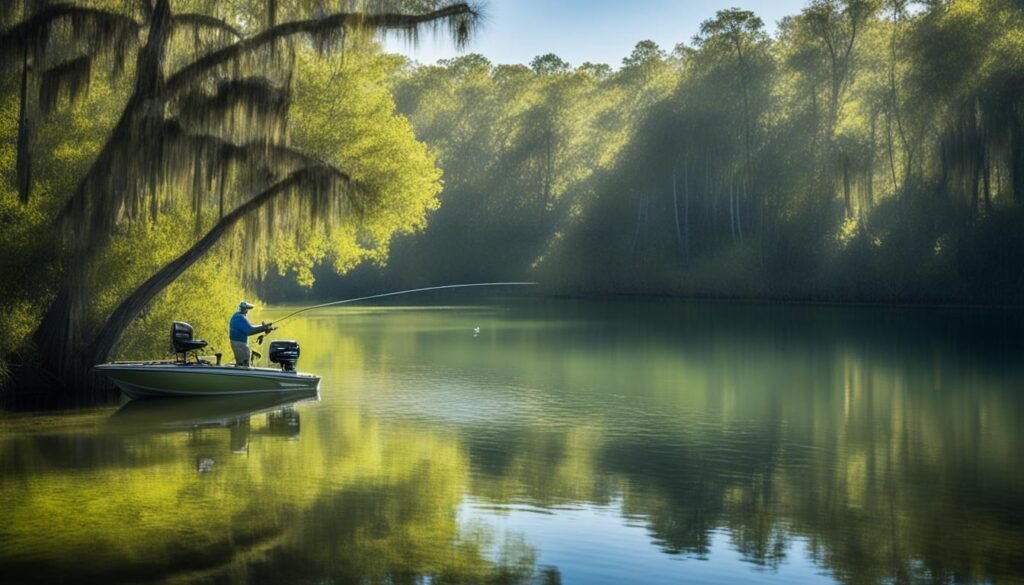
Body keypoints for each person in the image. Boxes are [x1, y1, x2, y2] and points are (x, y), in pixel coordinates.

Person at [230, 301, 273, 366]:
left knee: (241, 364)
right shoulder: (240, 318)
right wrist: (264, 328)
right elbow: (250, 331)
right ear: (246, 310)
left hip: (238, 344)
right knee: (244, 365)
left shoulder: (237, 316)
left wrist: (264, 327)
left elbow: (250, 327)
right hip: (240, 345)